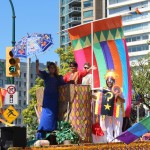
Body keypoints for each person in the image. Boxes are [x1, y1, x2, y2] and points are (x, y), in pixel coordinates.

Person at [36, 60, 65, 139]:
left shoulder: (58, 77)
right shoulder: (46, 75)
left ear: (55, 69)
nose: (52, 69)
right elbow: (38, 72)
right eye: (50, 68)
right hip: (47, 98)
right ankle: (42, 130)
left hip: (54, 98)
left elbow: (64, 84)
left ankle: (52, 130)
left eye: (53, 68)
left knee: (53, 114)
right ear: (48, 69)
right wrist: (37, 65)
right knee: (45, 113)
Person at [97, 70, 125, 142]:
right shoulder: (103, 90)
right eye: (108, 81)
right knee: (108, 127)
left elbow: (123, 101)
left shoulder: (118, 89)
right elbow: (99, 100)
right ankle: (110, 141)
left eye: (111, 81)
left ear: (113, 81)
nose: (109, 82)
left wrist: (118, 95)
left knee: (117, 126)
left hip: (117, 111)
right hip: (108, 111)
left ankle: (118, 142)